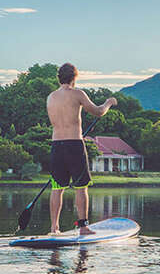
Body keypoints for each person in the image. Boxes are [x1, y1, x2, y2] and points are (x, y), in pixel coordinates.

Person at [46, 63, 118, 236]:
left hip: (56, 145)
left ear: (59, 78)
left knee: (57, 188)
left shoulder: (51, 97)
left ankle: (54, 228)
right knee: (81, 187)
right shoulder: (78, 94)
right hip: (74, 145)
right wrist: (109, 102)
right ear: (74, 78)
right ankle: (83, 227)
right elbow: (98, 112)